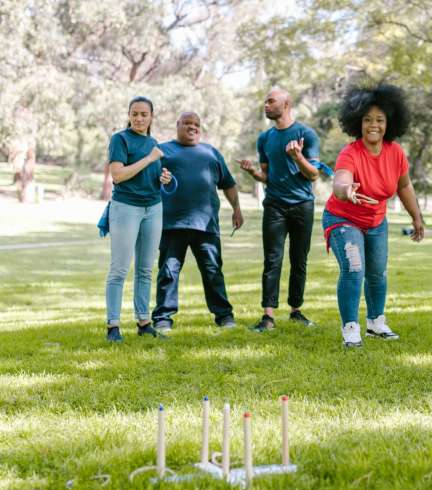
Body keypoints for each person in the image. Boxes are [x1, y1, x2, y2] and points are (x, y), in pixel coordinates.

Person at [322, 82, 425, 348]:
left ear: (389, 123)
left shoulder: (395, 152)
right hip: (343, 218)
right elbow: (340, 181)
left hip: (376, 220)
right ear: (358, 122)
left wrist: (417, 217)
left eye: (380, 120)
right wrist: (347, 190)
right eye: (367, 120)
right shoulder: (350, 152)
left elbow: (404, 186)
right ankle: (350, 328)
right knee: (355, 268)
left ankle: (376, 323)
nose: (373, 125)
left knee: (377, 273)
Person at [238, 88, 324, 332]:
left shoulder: (306, 134)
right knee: (272, 259)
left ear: (286, 104)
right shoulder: (265, 139)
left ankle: (296, 310)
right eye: (265, 101)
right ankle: (268, 316)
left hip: (302, 205)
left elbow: (314, 174)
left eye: (271, 101)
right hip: (275, 204)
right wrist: (254, 172)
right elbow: (267, 176)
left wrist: (298, 157)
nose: (266, 105)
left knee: (299, 259)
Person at [151, 112, 243, 333]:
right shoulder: (162, 151)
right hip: (172, 224)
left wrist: (237, 209)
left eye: (196, 125)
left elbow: (228, 184)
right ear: (178, 125)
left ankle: (224, 316)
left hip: (206, 225)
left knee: (213, 271)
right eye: (187, 123)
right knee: (168, 271)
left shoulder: (211, 152)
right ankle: (163, 319)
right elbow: (148, 180)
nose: (192, 127)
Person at [105, 96, 172, 343]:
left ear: (151, 116)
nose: (139, 118)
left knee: (145, 269)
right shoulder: (120, 139)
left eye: (144, 114)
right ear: (129, 115)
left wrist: (162, 176)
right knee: (119, 269)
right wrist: (150, 159)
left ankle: (144, 322)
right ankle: (113, 326)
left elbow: (148, 175)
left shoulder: (152, 143)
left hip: (153, 208)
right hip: (126, 208)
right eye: (135, 114)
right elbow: (119, 175)